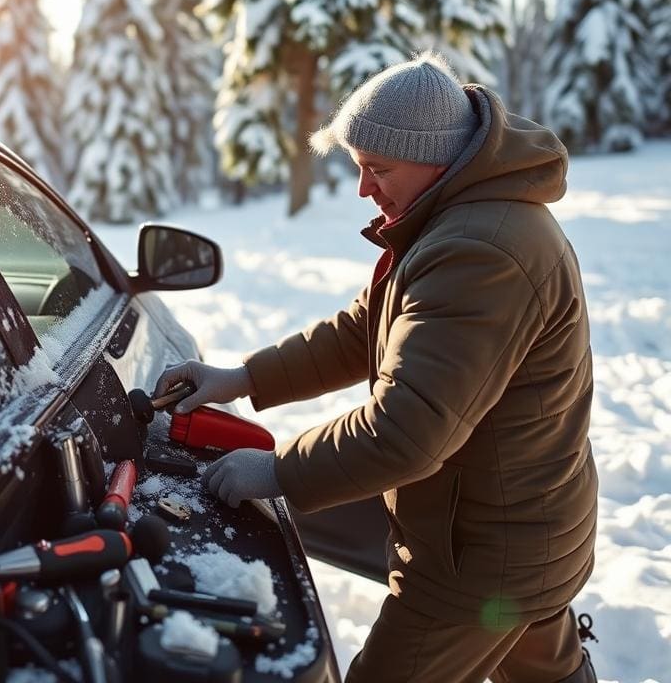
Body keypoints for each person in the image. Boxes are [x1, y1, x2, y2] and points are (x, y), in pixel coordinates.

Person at [154, 52, 598, 683]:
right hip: (524, 529)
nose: (364, 188)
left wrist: (278, 470)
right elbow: (367, 327)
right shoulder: (462, 219)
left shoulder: (479, 252)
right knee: (543, 667)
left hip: (478, 556)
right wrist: (245, 378)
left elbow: (406, 432)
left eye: (377, 168)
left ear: (436, 157)